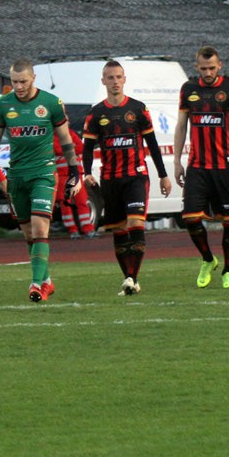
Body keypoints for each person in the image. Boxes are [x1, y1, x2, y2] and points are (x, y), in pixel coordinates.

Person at [0, 59, 79, 303]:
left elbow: (66, 138)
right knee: (28, 235)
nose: (19, 86)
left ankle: (36, 284)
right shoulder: (3, 105)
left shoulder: (50, 103)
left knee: (39, 228)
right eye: (14, 82)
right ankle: (46, 280)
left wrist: (75, 170)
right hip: (17, 176)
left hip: (44, 173)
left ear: (33, 78)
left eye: (23, 81)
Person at [83, 59, 171, 295]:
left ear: (124, 79)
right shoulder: (96, 114)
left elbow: (152, 145)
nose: (115, 81)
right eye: (110, 77)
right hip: (111, 180)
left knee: (136, 224)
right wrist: (86, 173)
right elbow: (88, 148)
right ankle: (130, 280)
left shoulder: (138, 109)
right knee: (119, 231)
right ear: (103, 81)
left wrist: (163, 176)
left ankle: (132, 277)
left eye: (118, 77)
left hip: (136, 177)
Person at [172, 46, 229, 288]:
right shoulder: (188, 89)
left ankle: (228, 272)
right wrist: (177, 161)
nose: (207, 72)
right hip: (197, 166)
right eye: (203, 68)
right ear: (196, 67)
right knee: (190, 218)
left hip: (225, 167)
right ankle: (208, 259)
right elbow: (181, 126)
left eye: (211, 67)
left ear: (220, 66)